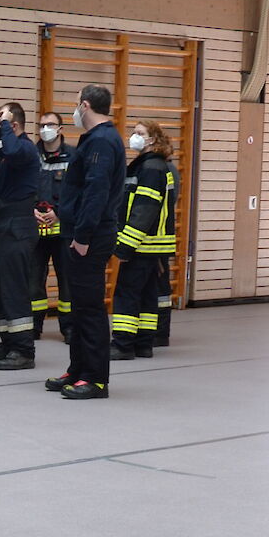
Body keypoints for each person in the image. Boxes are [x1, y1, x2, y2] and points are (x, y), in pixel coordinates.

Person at [46, 84, 127, 401]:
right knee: (78, 306)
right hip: (78, 233)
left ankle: (95, 378)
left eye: (77, 105)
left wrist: (82, 237)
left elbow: (96, 192)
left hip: (89, 237)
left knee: (90, 308)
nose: (75, 110)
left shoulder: (103, 142)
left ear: (85, 105)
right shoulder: (94, 140)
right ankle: (78, 369)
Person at [0, 102, 40, 370]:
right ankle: (9, 342)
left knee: (14, 291)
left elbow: (12, 148)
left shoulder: (24, 147)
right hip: (3, 227)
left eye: (1, 120)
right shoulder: (7, 155)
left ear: (14, 125)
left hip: (18, 227)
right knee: (2, 291)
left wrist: (6, 122)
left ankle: (24, 349)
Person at [111, 121, 178, 360]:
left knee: (126, 293)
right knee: (148, 295)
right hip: (155, 245)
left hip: (142, 244)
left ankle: (122, 344)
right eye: (134, 132)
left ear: (152, 140)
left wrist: (125, 244)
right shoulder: (153, 166)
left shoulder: (150, 168)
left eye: (140, 133)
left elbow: (144, 210)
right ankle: (143, 344)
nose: (134, 137)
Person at [31, 111, 73, 341]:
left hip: (63, 231)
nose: (45, 129)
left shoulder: (73, 156)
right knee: (32, 280)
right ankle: (34, 326)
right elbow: (23, 188)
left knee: (67, 281)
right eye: (42, 125)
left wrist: (59, 213)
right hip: (35, 232)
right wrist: (31, 210)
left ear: (60, 129)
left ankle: (69, 328)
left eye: (50, 125)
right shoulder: (31, 155)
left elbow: (77, 191)